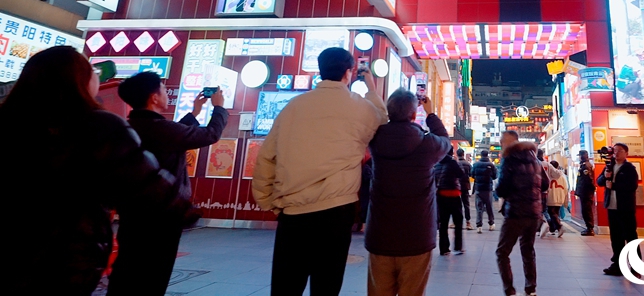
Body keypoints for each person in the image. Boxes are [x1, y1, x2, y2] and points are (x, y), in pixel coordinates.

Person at [2, 46, 186, 295]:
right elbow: (146, 184)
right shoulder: (98, 125)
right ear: (79, 79)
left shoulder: (10, 123)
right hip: (66, 255)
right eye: (92, 71)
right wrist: (185, 210)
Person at [253, 47, 387, 295]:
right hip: (337, 211)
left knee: (286, 285)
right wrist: (370, 86)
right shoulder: (360, 108)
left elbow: (266, 157)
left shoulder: (294, 106)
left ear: (320, 71)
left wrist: (268, 202)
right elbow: (382, 118)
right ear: (350, 72)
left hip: (293, 211)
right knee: (327, 283)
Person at [109, 72, 228, 295]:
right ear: (154, 97)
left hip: (133, 214)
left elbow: (173, 136)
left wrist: (194, 112)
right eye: (163, 89)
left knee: (127, 270)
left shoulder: (131, 126)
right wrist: (219, 108)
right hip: (162, 216)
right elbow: (210, 134)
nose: (166, 93)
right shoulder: (161, 129)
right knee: (154, 276)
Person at [364, 89, 450, 296]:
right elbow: (445, 140)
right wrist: (430, 114)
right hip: (417, 236)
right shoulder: (427, 144)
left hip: (380, 234)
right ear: (414, 115)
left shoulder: (375, 139)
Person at [495, 130, 548, 296]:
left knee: (502, 252)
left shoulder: (509, 159)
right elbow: (545, 184)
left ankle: (509, 290)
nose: (501, 145)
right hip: (533, 213)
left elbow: (502, 188)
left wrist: (500, 191)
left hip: (515, 213)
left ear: (510, 142)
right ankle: (531, 289)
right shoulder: (535, 159)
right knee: (528, 250)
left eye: (502, 142)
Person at [597, 143, 640, 277]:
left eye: (620, 151)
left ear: (626, 153)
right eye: (614, 151)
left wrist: (613, 185)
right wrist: (605, 176)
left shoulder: (629, 169)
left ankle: (635, 267)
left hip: (625, 207)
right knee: (616, 238)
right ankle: (618, 265)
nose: (616, 153)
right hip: (612, 206)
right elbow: (599, 182)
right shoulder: (609, 166)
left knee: (630, 237)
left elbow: (632, 186)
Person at [434, 146, 466, 255]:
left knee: (443, 223)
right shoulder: (452, 162)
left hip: (441, 196)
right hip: (453, 194)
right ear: (452, 152)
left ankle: (444, 249)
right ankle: (458, 246)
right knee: (458, 221)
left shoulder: (437, 164)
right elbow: (461, 174)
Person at [471, 149, 497, 234]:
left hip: (478, 188)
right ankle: (491, 224)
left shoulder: (475, 165)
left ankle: (479, 226)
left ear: (481, 155)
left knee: (479, 208)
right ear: (487, 155)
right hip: (488, 189)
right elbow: (495, 176)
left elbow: (472, 174)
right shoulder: (491, 165)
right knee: (489, 207)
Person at [544, 160, 569, 238]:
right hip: (559, 197)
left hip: (550, 196)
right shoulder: (562, 176)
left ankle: (559, 226)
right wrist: (565, 201)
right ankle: (553, 229)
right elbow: (566, 188)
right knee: (555, 213)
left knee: (551, 212)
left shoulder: (548, 174)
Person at [574, 150, 596, 236]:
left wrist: (590, 189)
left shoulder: (586, 166)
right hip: (585, 191)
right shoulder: (584, 165)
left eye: (580, 155)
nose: (579, 157)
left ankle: (590, 228)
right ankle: (589, 228)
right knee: (585, 210)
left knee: (587, 210)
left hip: (586, 192)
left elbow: (588, 179)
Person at [456, 148, 474, 230]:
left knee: (456, 205)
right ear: (463, 154)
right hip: (465, 186)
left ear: (457, 154)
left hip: (456, 186)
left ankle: (455, 222)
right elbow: (471, 174)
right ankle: (468, 222)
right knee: (466, 204)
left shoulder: (455, 163)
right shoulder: (468, 164)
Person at [536, 148, 551, 235]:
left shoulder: (534, 164)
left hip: (536, 191)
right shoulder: (547, 164)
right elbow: (557, 173)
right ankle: (548, 224)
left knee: (537, 210)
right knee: (544, 209)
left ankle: (543, 224)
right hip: (544, 191)